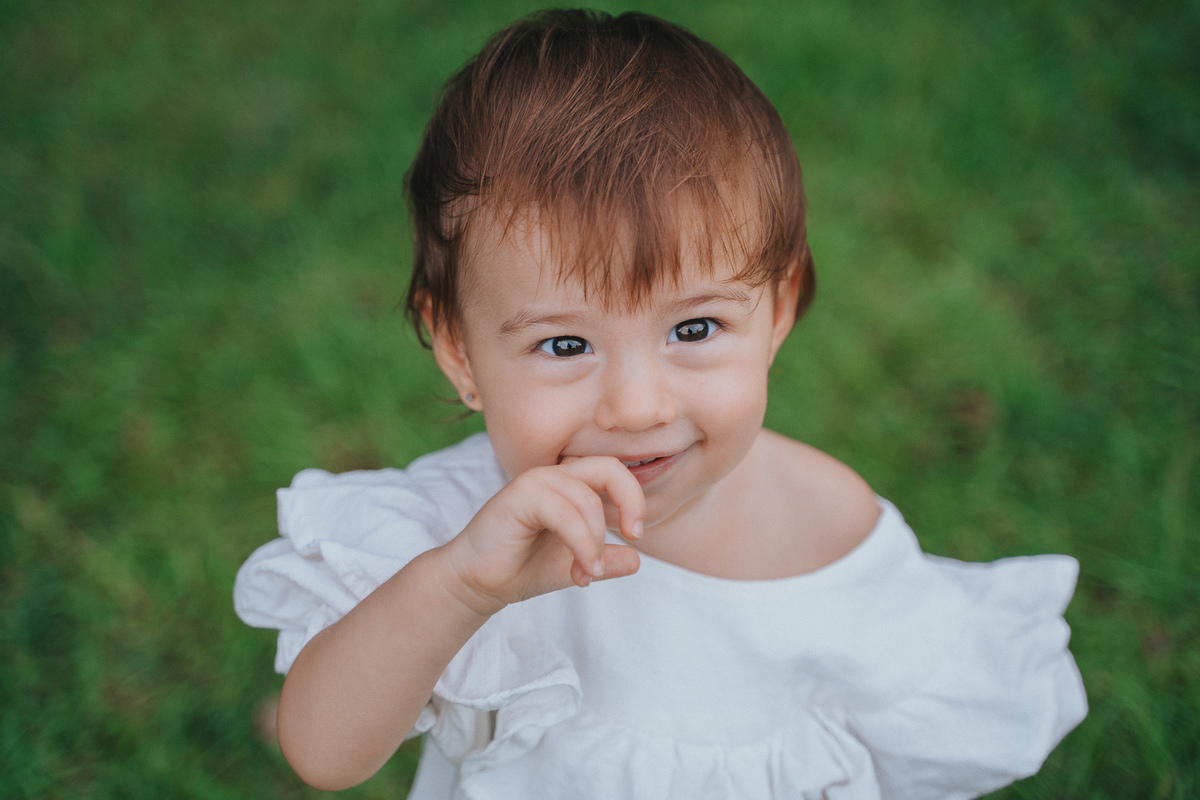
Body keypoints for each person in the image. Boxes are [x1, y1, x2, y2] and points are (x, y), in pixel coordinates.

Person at [234, 9, 1087, 798]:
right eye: (564, 345)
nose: (637, 406)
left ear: (779, 309)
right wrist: (461, 588)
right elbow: (323, 753)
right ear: (459, 351)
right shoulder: (454, 532)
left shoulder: (825, 524)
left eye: (696, 327)